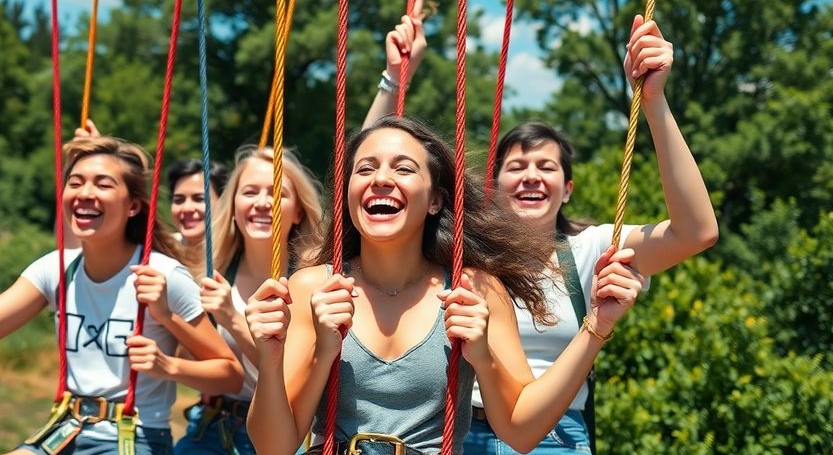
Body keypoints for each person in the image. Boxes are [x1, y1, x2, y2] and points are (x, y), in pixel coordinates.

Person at [244, 116, 647, 454]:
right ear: (348, 192)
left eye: (403, 168)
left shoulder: (475, 288)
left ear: (436, 199)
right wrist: (277, 356)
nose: (381, 178)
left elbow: (522, 433)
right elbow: (273, 447)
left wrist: (595, 326)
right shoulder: (312, 287)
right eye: (365, 169)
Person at [461, 15, 719, 454]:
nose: (531, 178)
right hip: (463, 432)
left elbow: (695, 232)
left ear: (568, 190)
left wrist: (654, 102)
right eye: (516, 167)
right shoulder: (465, 256)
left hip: (557, 436)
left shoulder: (591, 249)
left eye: (547, 168)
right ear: (494, 186)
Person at [0, 136, 243, 455]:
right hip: (64, 428)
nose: (85, 193)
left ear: (133, 205)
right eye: (75, 183)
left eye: (103, 185)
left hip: (133, 436)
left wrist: (166, 365)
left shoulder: (164, 276)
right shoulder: (56, 268)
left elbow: (229, 376)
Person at [173, 145, 324, 454]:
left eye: (277, 194)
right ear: (232, 205)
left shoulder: (313, 281)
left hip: (285, 434)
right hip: (213, 426)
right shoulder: (210, 270)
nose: (262, 203)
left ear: (298, 211)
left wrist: (231, 318)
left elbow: (286, 375)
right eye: (250, 192)